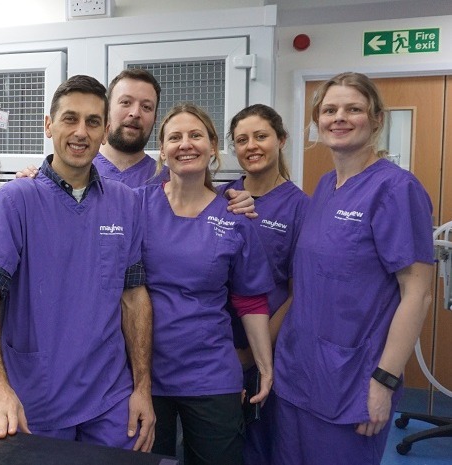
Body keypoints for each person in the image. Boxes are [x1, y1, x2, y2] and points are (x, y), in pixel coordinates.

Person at [0, 75, 155, 451]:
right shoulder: (16, 200)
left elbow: (134, 298)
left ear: (105, 132)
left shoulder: (125, 202)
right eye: (70, 119)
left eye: (93, 121)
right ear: (49, 125)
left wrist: (142, 387)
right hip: (36, 396)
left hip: (110, 397)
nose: (81, 132)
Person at [272, 72, 434, 465]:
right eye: (330, 110)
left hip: (352, 381)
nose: (339, 118)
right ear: (318, 120)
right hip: (297, 371)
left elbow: (418, 294)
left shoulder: (397, 189)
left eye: (353, 109)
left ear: (376, 118)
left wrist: (384, 381)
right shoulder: (325, 186)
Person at [138, 103, 274, 464]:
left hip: (210, 373)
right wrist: (35, 177)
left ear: (212, 146)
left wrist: (264, 366)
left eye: (196, 135)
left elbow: (250, 300)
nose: (186, 144)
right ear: (162, 150)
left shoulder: (235, 216)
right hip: (142, 373)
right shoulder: (137, 205)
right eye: (175, 137)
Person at [18, 68, 255, 215]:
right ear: (107, 112)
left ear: (155, 117)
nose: (135, 113)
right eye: (125, 102)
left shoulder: (167, 179)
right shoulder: (75, 169)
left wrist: (232, 201)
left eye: (146, 107)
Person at [217, 104, 310, 464]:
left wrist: (252, 355)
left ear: (281, 140)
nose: (251, 146)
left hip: (268, 347)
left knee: (260, 447)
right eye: (242, 140)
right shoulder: (220, 197)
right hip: (215, 346)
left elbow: (298, 292)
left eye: (261, 136)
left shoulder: (300, 208)